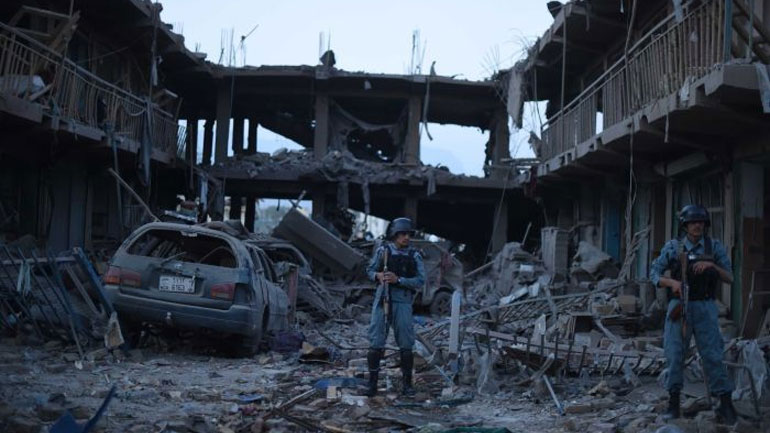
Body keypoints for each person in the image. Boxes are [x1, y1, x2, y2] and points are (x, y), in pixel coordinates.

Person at [649, 204, 737, 425]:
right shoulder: (674, 247)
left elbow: (730, 278)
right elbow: (654, 273)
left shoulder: (713, 247)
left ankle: (725, 403)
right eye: (692, 222)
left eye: (701, 222)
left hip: (705, 306)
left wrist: (712, 266)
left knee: (713, 355)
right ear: (685, 225)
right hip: (680, 306)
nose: (697, 226)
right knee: (675, 355)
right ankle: (673, 404)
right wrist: (671, 283)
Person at [364, 217, 425, 397]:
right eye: (403, 234)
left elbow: (420, 280)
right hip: (382, 299)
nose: (406, 237)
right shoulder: (383, 251)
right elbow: (369, 270)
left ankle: (407, 385)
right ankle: (372, 385)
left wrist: (399, 280)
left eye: (409, 234)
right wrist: (378, 276)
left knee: (406, 344)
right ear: (395, 235)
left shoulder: (414, 255)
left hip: (403, 302)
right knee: (376, 342)